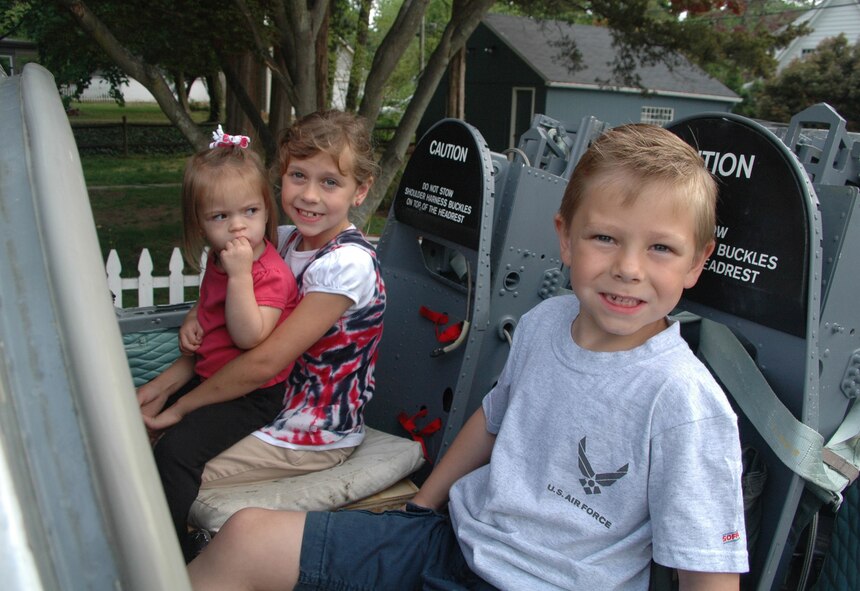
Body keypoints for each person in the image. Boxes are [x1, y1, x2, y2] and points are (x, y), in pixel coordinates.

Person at [187, 123, 749, 591]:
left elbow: (709, 574)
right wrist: (422, 507)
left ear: (697, 263)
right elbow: (492, 420)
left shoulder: (684, 400)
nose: (628, 267)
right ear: (565, 238)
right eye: (604, 238)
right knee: (245, 539)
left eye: (660, 248)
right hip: (453, 542)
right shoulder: (546, 322)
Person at [144, 110, 386, 551]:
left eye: (330, 182)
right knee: (140, 433)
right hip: (264, 403)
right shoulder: (287, 240)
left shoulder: (345, 265)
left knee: (165, 457)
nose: (310, 195)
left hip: (309, 429)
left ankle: (169, 565)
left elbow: (264, 360)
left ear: (360, 190)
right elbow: (223, 319)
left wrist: (181, 409)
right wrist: (172, 372)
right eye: (298, 176)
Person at [136, 127, 298, 562]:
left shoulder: (267, 273)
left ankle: (172, 551)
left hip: (250, 396)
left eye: (250, 210)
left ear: (267, 209)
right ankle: (135, 518)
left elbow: (249, 336)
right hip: (212, 376)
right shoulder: (220, 259)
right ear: (200, 223)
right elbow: (213, 313)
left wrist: (242, 275)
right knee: (141, 417)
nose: (238, 225)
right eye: (220, 217)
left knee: (176, 452)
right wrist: (193, 319)